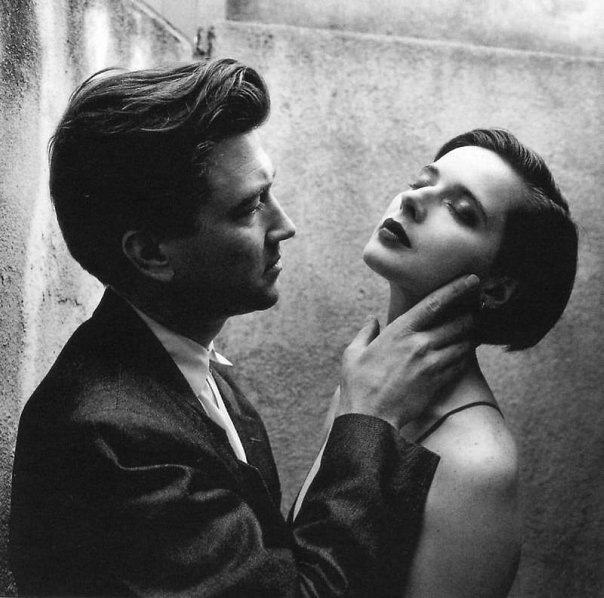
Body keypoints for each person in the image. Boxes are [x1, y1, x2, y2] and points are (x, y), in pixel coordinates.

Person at [9, 58, 479, 597]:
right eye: (250, 207)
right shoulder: (110, 437)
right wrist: (370, 418)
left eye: (269, 191)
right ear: (151, 253)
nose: (285, 225)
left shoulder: (189, 366)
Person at [360, 128, 577, 597]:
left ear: (495, 288)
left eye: (460, 211)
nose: (412, 200)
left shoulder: (475, 465)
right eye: (421, 182)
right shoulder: (361, 384)